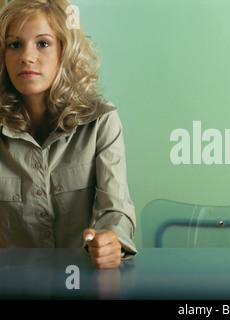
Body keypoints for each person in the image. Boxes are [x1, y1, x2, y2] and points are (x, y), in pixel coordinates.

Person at [0, 0, 137, 269]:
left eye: (43, 43)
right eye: (14, 44)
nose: (26, 56)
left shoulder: (101, 120)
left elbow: (115, 208)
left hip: (82, 281)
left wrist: (112, 241)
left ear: (66, 50)